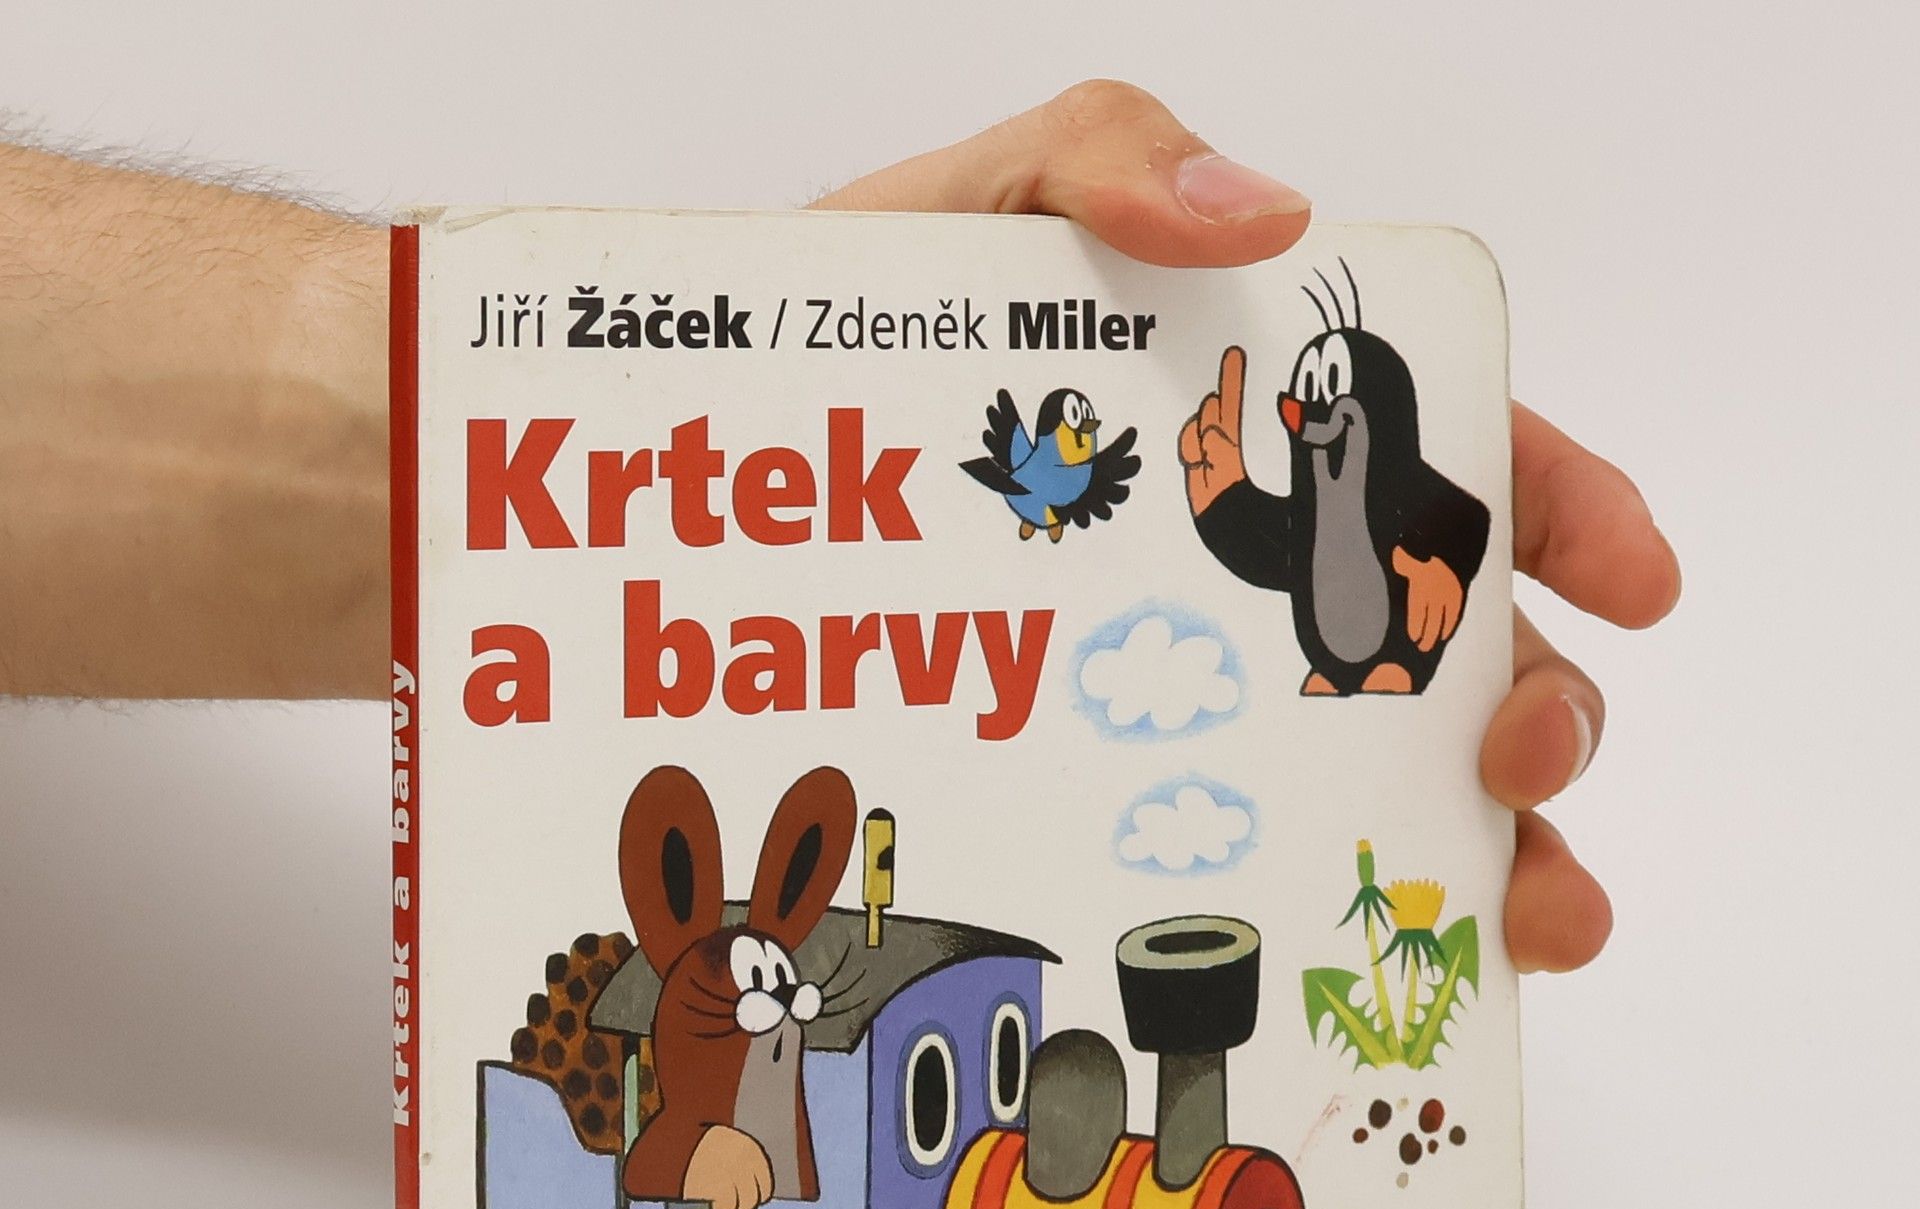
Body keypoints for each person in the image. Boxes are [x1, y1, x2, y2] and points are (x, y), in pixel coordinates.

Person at [0, 80, 1677, 974]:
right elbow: (1254, 536)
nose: (1311, 413)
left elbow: (1340, 548)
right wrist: (1211, 481)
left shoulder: (1395, 516)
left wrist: (653, 418)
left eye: (1331, 400)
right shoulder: (1294, 493)